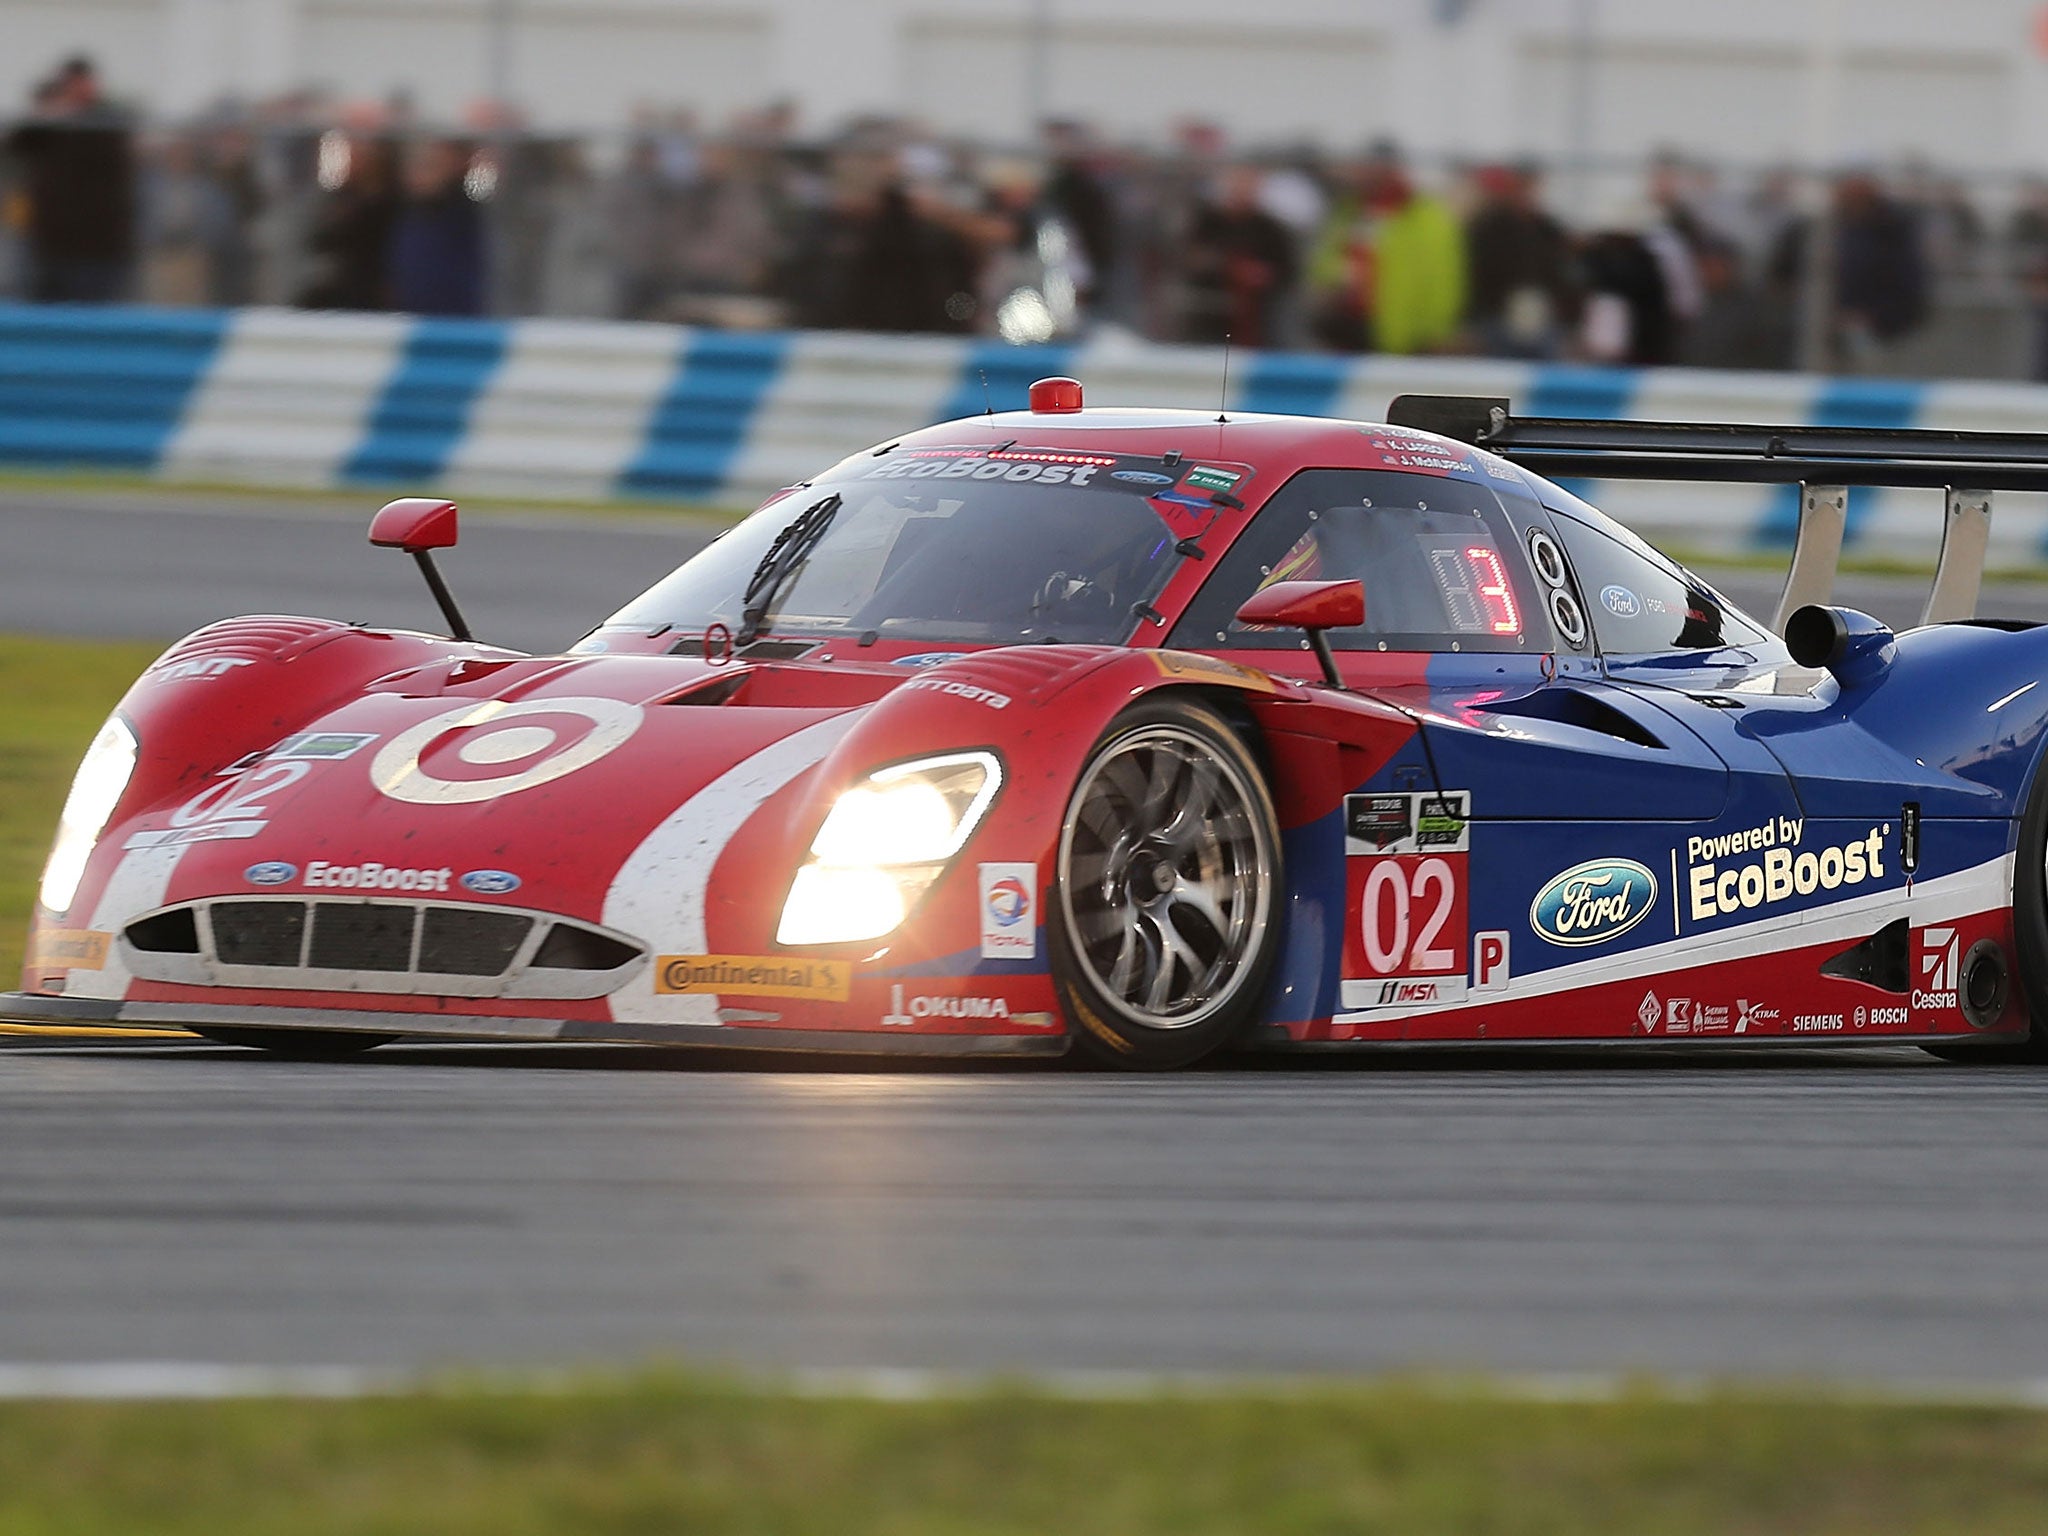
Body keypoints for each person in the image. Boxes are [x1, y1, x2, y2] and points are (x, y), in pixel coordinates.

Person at [1307, 141, 1464, 354]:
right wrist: (1328, 286)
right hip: (1348, 323)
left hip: (1404, 332)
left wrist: (1437, 329)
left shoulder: (1424, 216)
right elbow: (1329, 259)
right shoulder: (1349, 210)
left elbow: (1444, 277)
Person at [4, 57, 137, 303]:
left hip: (98, 248)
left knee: (92, 313)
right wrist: (49, 115)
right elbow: (17, 144)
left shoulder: (106, 120)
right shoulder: (49, 123)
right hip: (49, 245)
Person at [1463, 162, 1576, 358]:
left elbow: (1561, 272)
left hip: (1542, 318)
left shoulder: (1547, 229)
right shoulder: (1488, 228)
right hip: (1497, 318)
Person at [1181, 164, 1297, 348]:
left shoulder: (1270, 229)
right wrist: (1230, 269)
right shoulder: (1208, 222)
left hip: (1257, 316)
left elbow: (1287, 270)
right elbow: (1190, 259)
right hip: (1211, 315)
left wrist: (1262, 276)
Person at [385, 138, 488, 316]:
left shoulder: (465, 218)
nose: (417, 176)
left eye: (429, 166)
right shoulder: (405, 216)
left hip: (455, 320)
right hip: (407, 317)